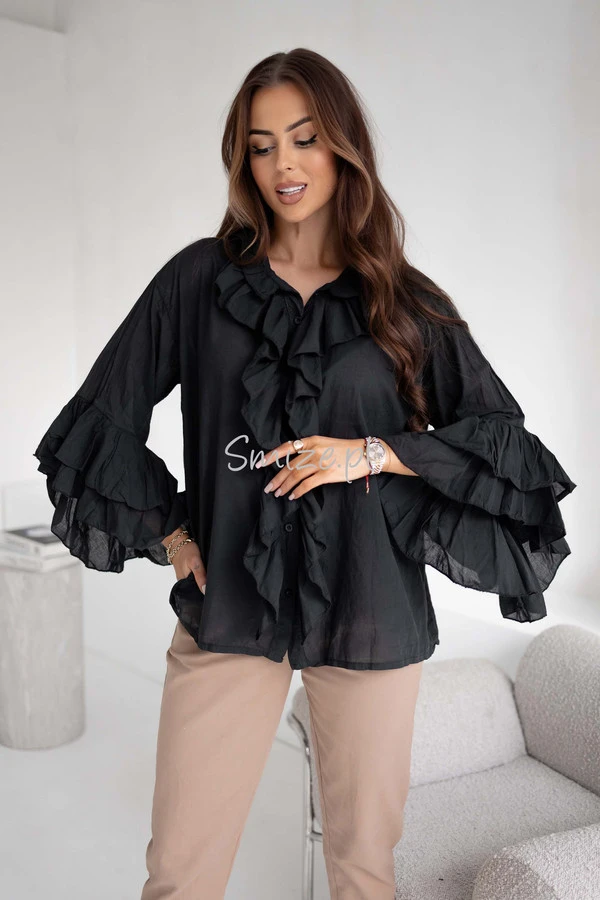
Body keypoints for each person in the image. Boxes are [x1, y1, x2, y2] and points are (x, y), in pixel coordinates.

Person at [33, 48, 576, 900]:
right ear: (243, 160)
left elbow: (501, 440)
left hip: (368, 603)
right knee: (179, 873)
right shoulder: (199, 282)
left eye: (305, 138)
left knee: (362, 869)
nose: (283, 163)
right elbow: (102, 413)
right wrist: (172, 532)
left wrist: (375, 452)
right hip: (229, 604)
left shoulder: (403, 301)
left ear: (342, 145)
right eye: (261, 146)